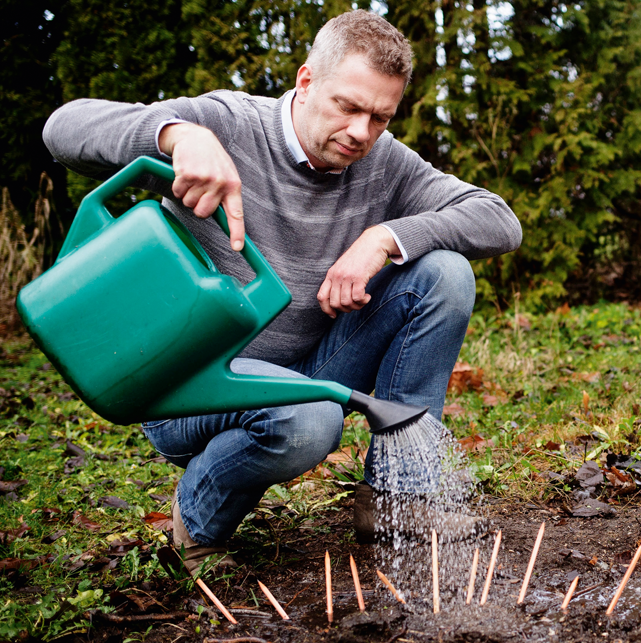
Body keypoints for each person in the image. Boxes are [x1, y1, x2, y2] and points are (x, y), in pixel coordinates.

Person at [42, 10, 522, 574]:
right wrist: (179, 135)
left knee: (443, 272)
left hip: (309, 369)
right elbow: (64, 127)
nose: (362, 132)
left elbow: (499, 220)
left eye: (380, 117)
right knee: (310, 417)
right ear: (305, 80)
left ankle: (401, 500)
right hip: (189, 386)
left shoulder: (384, 164)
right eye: (348, 106)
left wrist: (385, 237)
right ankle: (198, 519)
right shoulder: (224, 125)